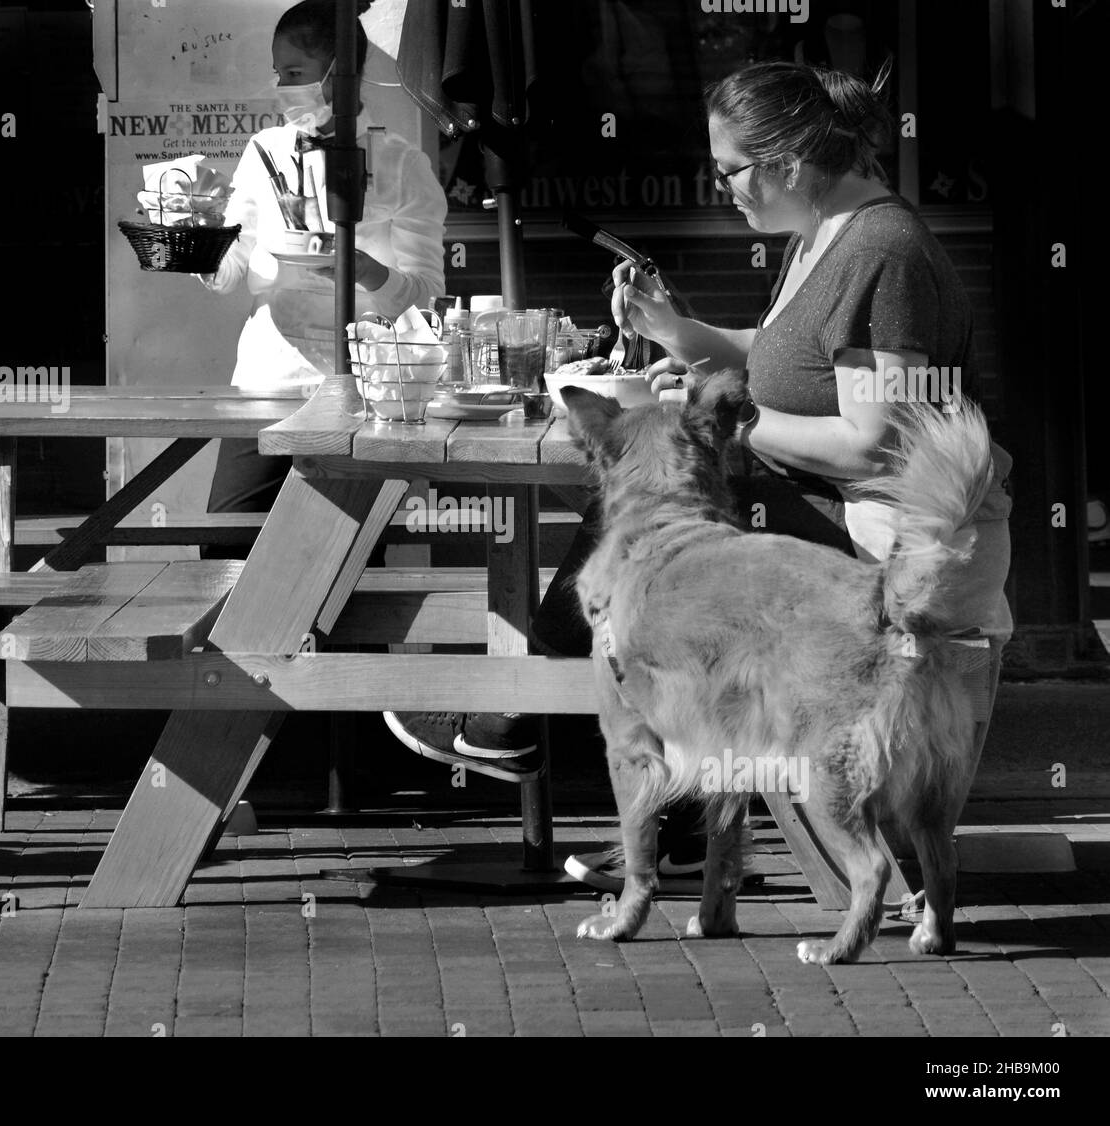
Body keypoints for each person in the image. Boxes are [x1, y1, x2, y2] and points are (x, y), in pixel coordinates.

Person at [390, 58, 1015, 891]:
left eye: (730, 171)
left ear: (789, 161)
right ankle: (636, 788)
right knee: (650, 522)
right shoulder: (823, 233)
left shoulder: (883, 252)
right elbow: (785, 358)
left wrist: (727, 419)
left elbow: (872, 443)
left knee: (648, 524)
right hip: (819, 534)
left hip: (877, 553)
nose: (722, 188)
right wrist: (673, 328)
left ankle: (540, 727)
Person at [198, 0, 448, 520]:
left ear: (339, 74)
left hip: (361, 388)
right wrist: (198, 234)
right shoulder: (265, 149)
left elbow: (426, 297)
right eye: (278, 72)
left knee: (342, 554)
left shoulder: (401, 162)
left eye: (294, 73)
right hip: (268, 379)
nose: (282, 87)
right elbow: (227, 272)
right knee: (226, 534)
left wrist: (362, 268)